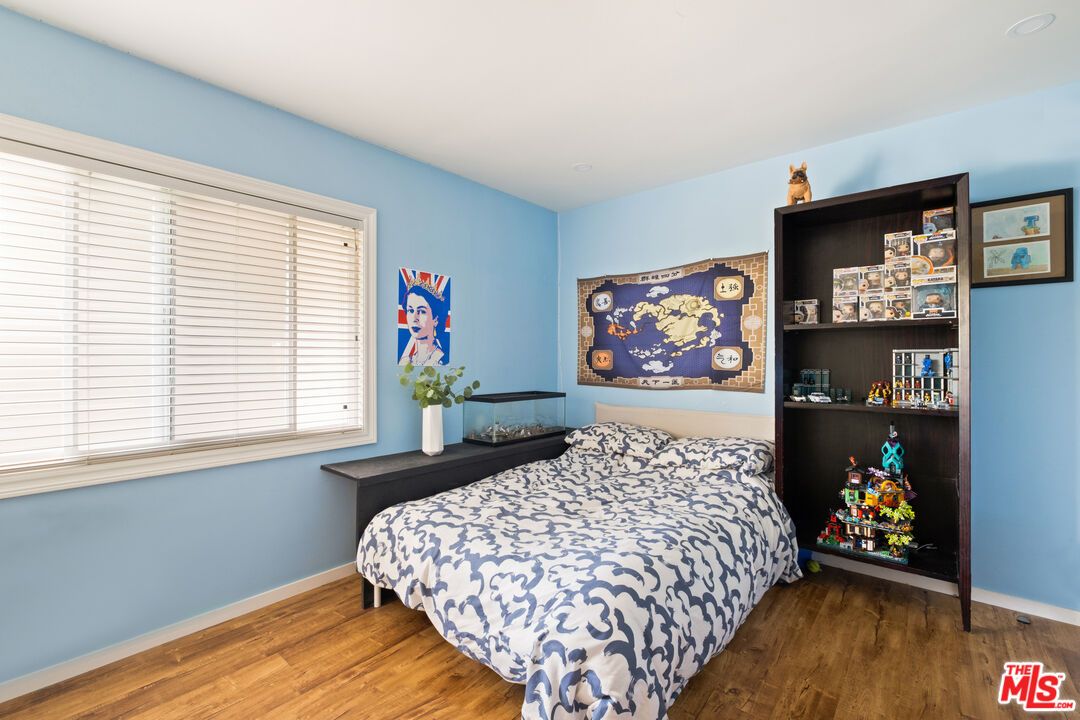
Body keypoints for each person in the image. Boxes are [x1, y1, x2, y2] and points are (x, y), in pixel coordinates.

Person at [399, 281, 448, 365]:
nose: (414, 318)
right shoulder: (405, 361)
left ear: (436, 319)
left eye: (422, 311)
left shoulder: (442, 361)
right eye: (410, 310)